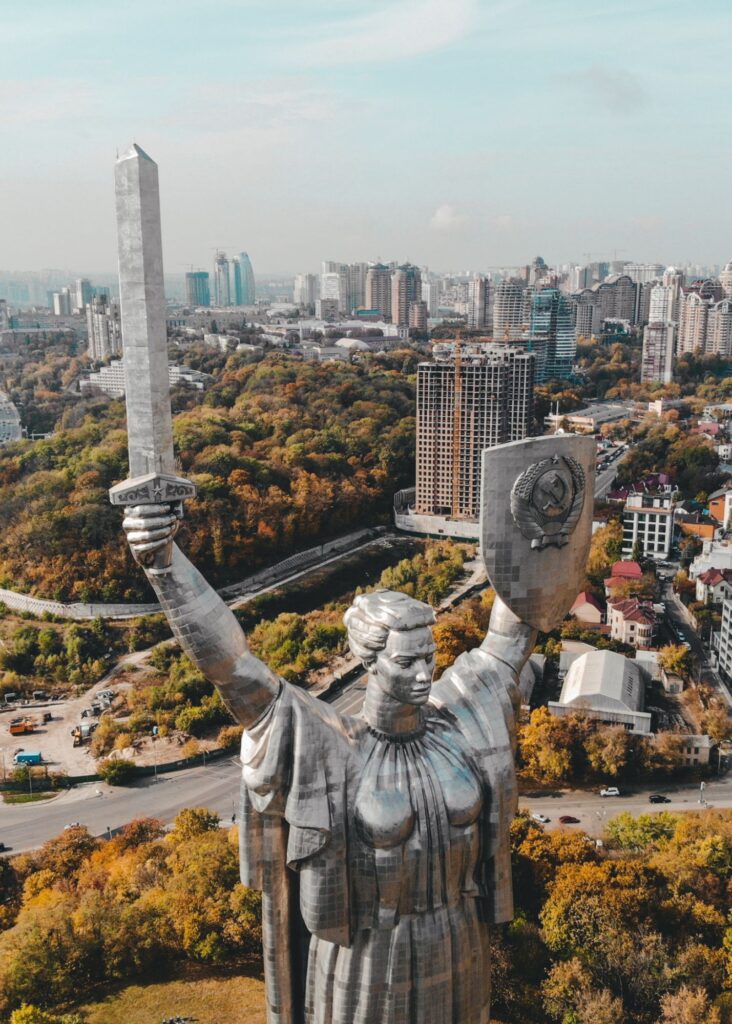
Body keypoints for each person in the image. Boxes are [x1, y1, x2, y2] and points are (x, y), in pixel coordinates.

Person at [123, 504, 536, 1024]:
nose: (425, 673)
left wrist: (537, 535)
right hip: (364, 960)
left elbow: (512, 635)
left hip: (458, 942)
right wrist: (163, 563)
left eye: (430, 657)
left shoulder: (459, 723)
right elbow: (232, 670)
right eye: (406, 660)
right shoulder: (332, 746)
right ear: (370, 661)